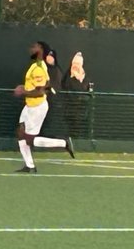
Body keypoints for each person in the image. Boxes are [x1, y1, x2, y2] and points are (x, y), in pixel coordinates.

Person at [13, 40, 74, 173]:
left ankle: (63, 143)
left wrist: (23, 92)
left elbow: (40, 92)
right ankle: (29, 166)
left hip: (37, 107)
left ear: (40, 50)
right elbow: (45, 84)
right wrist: (25, 88)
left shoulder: (39, 68)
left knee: (29, 139)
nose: (31, 49)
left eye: (34, 47)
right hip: (29, 105)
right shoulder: (37, 65)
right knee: (20, 133)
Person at [60, 51, 91, 139]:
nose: (76, 66)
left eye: (78, 63)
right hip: (70, 111)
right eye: (74, 63)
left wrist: (84, 98)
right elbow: (65, 88)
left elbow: (89, 92)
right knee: (72, 131)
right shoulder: (68, 78)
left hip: (82, 111)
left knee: (79, 131)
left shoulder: (86, 79)